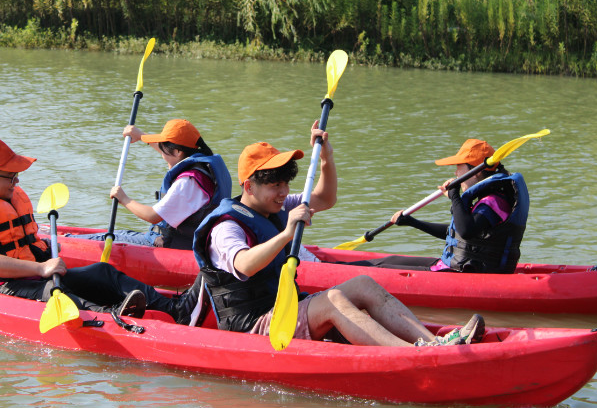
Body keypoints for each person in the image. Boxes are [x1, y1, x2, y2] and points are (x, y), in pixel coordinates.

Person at [192, 125, 484, 346]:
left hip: (284, 309)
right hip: (254, 327)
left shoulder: (276, 207)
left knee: (363, 284)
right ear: (249, 186)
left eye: (284, 184)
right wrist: (285, 236)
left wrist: (326, 158)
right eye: (274, 186)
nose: (282, 192)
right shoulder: (225, 227)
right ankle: (415, 354)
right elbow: (244, 264)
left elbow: (325, 198)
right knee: (332, 299)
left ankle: (431, 343)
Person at [0, 137, 198, 323]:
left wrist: (44, 263)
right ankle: (115, 319)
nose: (17, 181)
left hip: (33, 275)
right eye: (11, 176)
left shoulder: (6, 195)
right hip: (0, 286)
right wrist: (41, 268)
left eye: (17, 175)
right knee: (57, 293)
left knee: (103, 271)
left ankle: (176, 309)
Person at [355, 139, 528, 274]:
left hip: (464, 271)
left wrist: (454, 196)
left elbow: (466, 231)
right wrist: (412, 222)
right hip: (455, 265)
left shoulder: (493, 203)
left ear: (475, 172)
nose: (455, 173)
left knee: (382, 268)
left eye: (458, 167)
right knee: (388, 259)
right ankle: (333, 265)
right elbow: (458, 234)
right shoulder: (489, 200)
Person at [83, 119, 232, 250]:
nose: (160, 147)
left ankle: (63, 244)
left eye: (163, 144)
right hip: (184, 240)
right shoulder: (202, 164)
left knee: (102, 239)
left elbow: (153, 216)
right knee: (119, 233)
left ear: (178, 151)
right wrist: (141, 136)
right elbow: (168, 153)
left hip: (169, 244)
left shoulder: (187, 183)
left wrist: (123, 199)